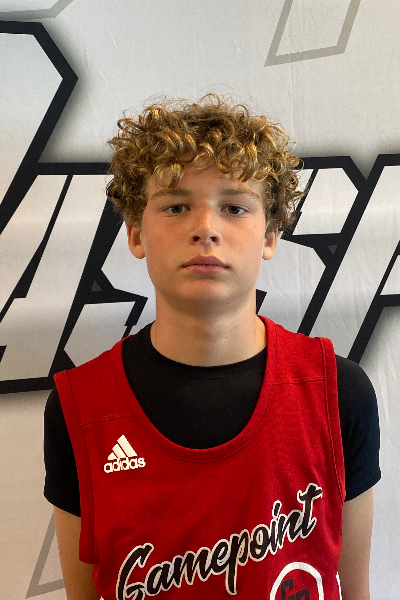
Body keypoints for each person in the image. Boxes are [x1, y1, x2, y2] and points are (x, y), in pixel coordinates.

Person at [44, 94, 381, 600]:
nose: (205, 228)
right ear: (136, 234)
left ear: (270, 236)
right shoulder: (80, 409)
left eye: (234, 207)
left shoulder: (339, 395)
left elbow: (354, 589)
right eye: (177, 206)